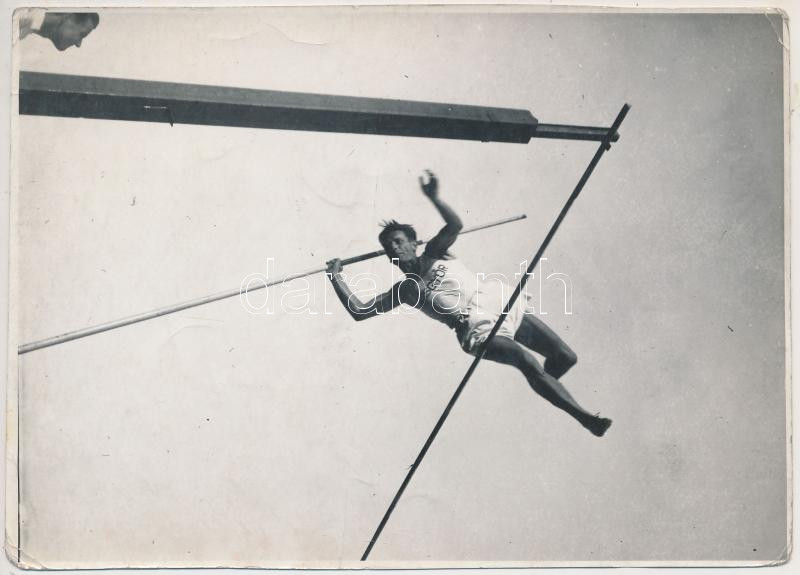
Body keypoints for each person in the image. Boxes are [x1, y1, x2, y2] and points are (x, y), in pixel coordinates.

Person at [326, 170, 612, 437]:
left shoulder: (435, 252)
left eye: (399, 241)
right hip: (475, 327)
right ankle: (585, 418)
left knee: (565, 357)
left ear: (414, 243)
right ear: (388, 257)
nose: (394, 247)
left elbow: (455, 225)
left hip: (495, 301)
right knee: (527, 361)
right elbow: (359, 311)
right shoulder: (405, 290)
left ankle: (546, 386)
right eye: (389, 247)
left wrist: (434, 197)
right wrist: (335, 276)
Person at [18, 10, 99, 51]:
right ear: (68, 17)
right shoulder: (20, 17)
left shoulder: (27, 24)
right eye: (82, 34)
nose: (78, 44)